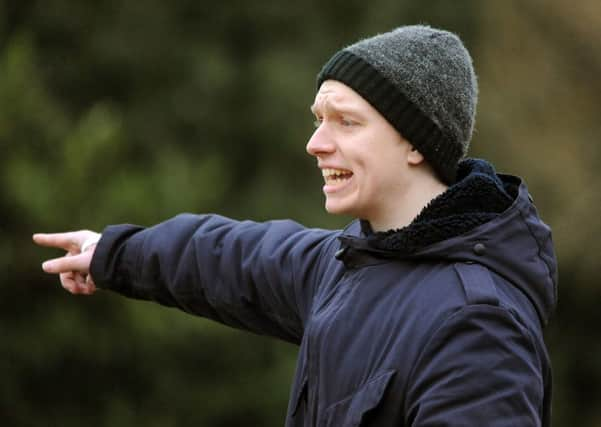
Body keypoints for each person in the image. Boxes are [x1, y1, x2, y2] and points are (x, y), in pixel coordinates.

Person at [34, 25, 557, 426]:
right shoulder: (352, 262)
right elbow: (229, 258)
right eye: (317, 119)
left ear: (418, 142)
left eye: (346, 121)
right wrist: (113, 253)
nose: (315, 143)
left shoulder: (480, 323)